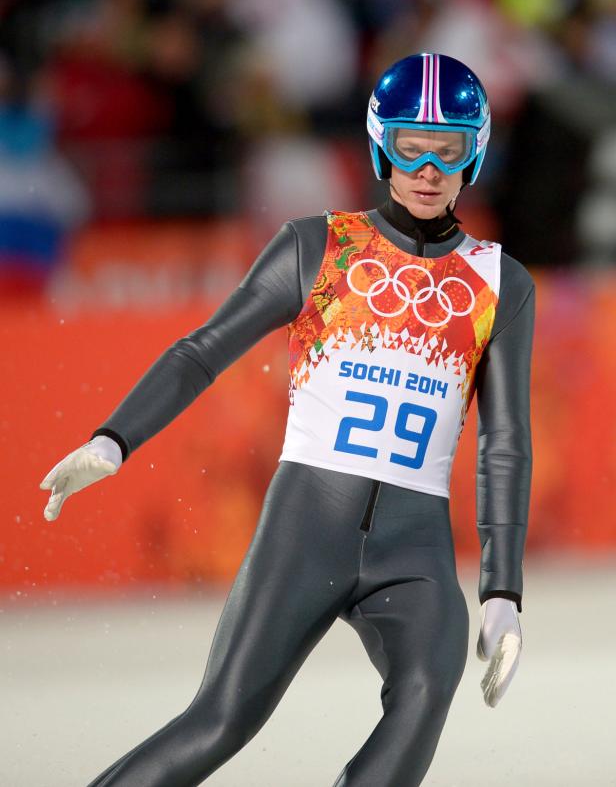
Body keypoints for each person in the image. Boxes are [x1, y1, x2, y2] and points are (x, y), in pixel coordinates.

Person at [40, 52, 533, 787]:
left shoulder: (500, 281)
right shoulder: (318, 244)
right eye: (410, 147)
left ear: (477, 153)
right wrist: (115, 438)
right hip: (307, 528)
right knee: (221, 722)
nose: (428, 170)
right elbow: (203, 351)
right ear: (380, 148)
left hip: (415, 549)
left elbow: (506, 441)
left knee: (428, 690)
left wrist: (502, 590)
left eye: (449, 149)